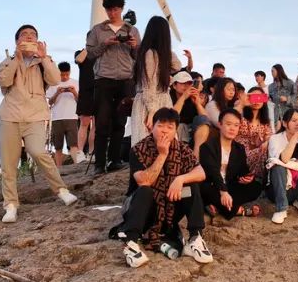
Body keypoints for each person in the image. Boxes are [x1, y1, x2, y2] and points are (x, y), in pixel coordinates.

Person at [111, 107, 213, 267]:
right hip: (142, 210)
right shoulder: (138, 150)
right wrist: (162, 155)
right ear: (152, 127)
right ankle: (131, 243)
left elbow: (201, 173)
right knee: (145, 190)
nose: (164, 131)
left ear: (175, 130)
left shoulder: (182, 149)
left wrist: (180, 179)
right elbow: (144, 181)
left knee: (191, 186)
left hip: (169, 209)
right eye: (160, 125)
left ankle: (195, 238)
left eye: (170, 127)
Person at [0, 25, 78, 223]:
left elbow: (55, 79)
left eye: (33, 35)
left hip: (35, 116)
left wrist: (44, 57)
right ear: (17, 41)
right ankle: (10, 205)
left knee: (39, 152)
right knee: (8, 163)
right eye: (24, 35)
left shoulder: (43, 62)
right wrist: (16, 59)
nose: (29, 37)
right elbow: (4, 81)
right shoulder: (7, 62)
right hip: (10, 116)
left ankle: (61, 190)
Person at [85, 0, 141, 174]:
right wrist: (105, 44)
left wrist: (134, 46)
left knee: (120, 121)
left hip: (126, 79)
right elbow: (90, 54)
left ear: (121, 9)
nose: (112, 13)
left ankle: (114, 160)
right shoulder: (97, 30)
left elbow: (138, 57)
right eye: (109, 10)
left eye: (115, 9)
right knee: (102, 122)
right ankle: (99, 163)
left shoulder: (132, 30)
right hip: (104, 78)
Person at [199, 109, 263, 218]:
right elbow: (213, 172)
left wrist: (247, 178)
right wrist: (223, 192)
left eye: (236, 125)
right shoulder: (207, 147)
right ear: (220, 124)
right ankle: (240, 210)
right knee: (204, 189)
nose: (232, 128)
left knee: (256, 187)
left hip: (229, 184)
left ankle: (216, 204)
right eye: (228, 124)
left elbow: (242, 170)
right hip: (213, 185)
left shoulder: (239, 148)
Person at [47, 61, 81, 167]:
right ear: (58, 73)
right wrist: (57, 93)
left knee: (73, 144)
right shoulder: (53, 84)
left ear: (70, 72)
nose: (65, 77)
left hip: (72, 117)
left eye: (67, 74)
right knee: (58, 146)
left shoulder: (76, 83)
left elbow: (80, 101)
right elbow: (50, 102)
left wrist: (74, 92)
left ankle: (76, 165)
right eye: (62, 75)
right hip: (57, 118)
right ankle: (58, 168)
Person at [198, 77, 242, 154]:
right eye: (229, 89)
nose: (232, 92)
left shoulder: (231, 105)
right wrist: (241, 105)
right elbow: (221, 124)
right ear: (220, 90)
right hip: (214, 144)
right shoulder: (212, 105)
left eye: (233, 90)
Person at [240, 88, 273, 179]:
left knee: (268, 148)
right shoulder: (240, 117)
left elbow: (269, 136)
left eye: (260, 98)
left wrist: (266, 142)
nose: (257, 101)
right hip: (241, 153)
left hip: (260, 152)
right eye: (254, 97)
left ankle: (261, 179)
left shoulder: (265, 122)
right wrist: (242, 102)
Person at [73, 49, 96, 160]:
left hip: (99, 91)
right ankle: (80, 152)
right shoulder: (81, 53)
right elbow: (78, 60)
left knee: (96, 124)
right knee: (84, 123)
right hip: (85, 93)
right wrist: (88, 47)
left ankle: (92, 152)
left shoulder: (100, 53)